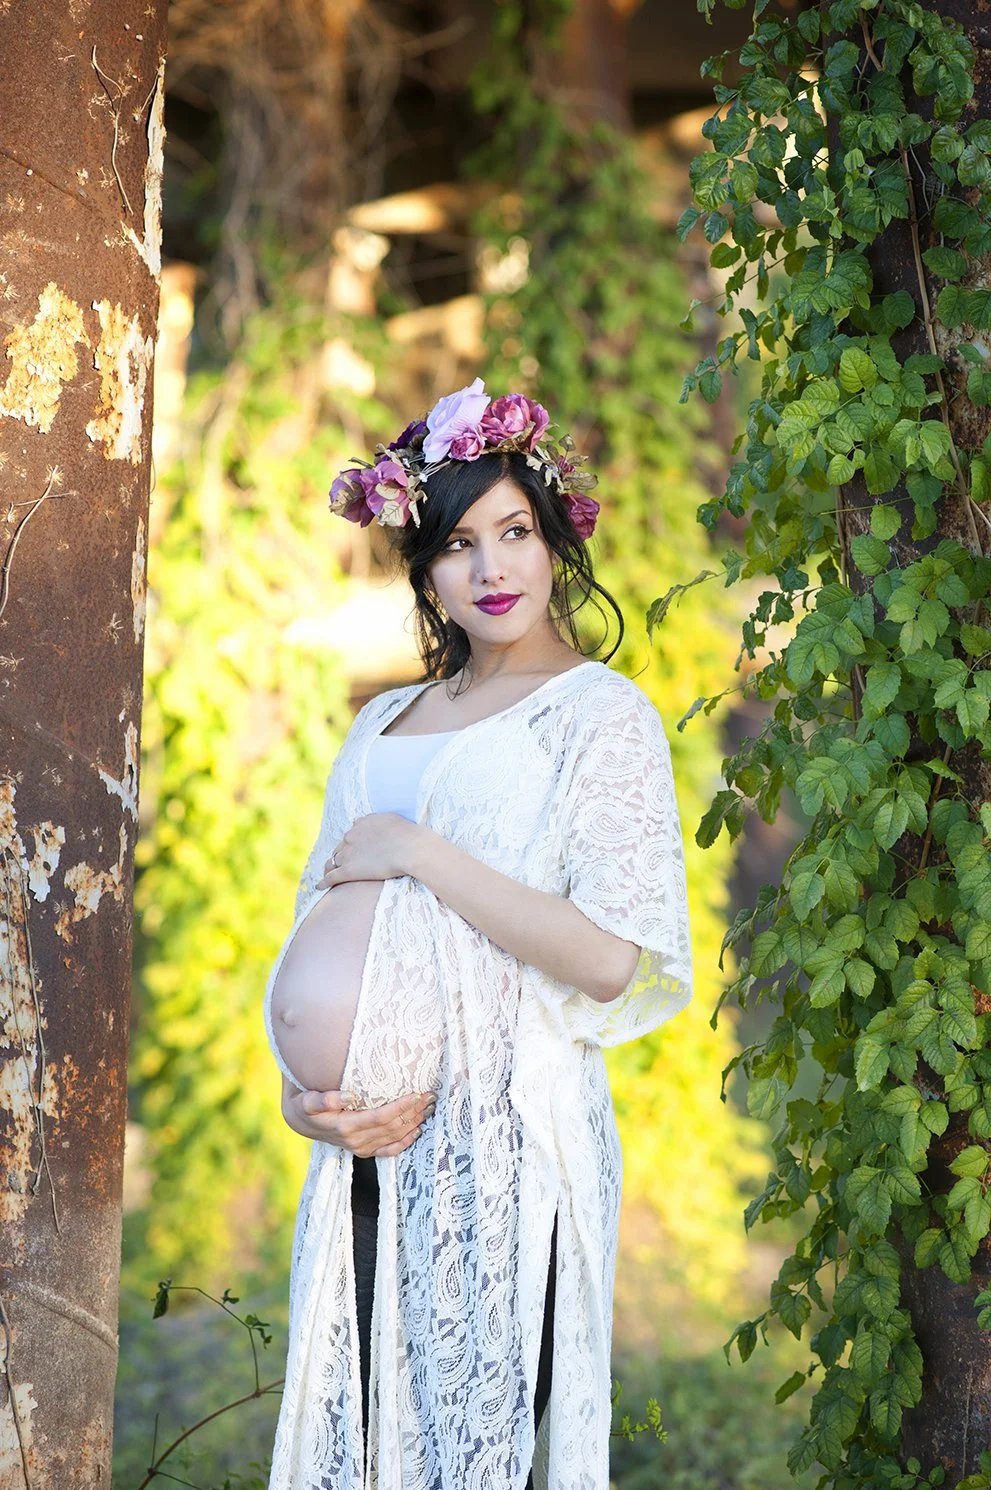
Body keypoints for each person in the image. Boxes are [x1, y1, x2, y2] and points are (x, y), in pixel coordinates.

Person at [262, 378, 693, 1490]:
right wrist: (301, 1094)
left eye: (514, 533)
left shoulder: (598, 713)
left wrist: (421, 848)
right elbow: (324, 919)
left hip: (500, 1149)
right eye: (458, 543)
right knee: (361, 1455)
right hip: (362, 1153)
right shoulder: (381, 719)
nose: (490, 569)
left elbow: (609, 956)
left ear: (555, 544)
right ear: (424, 566)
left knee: (471, 1455)